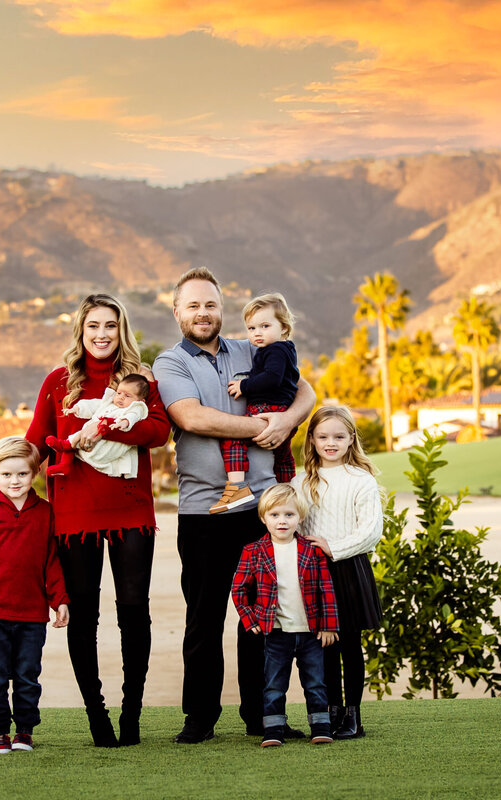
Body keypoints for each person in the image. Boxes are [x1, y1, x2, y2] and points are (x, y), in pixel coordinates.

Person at [0, 294, 169, 748]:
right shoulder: (57, 383)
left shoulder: (140, 381)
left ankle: (132, 714)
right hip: (74, 515)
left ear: (121, 330)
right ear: (80, 333)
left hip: (130, 509)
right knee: (83, 616)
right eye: (93, 327)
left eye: (110, 325)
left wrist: (107, 426)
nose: (102, 334)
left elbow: (159, 432)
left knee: (133, 612)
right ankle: (97, 716)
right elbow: (32, 449)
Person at [154, 267, 316, 744]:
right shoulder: (170, 363)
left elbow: (304, 389)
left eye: (210, 305)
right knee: (204, 618)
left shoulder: (253, 348)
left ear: (221, 309)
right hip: (203, 510)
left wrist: (286, 420)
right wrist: (260, 427)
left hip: (261, 509)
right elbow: (191, 417)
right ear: (178, 312)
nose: (202, 313)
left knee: (261, 615)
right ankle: (199, 718)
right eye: (193, 305)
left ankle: (262, 716)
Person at [0, 436, 70, 754]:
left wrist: (59, 599)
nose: (14, 481)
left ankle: (24, 731)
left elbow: (51, 560)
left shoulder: (45, 513)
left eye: (22, 474)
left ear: (34, 473)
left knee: (27, 676)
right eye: (6, 474)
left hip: (31, 616)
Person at [291, 405, 384, 739]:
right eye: (323, 436)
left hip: (348, 569)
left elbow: (371, 530)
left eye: (339, 436)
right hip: (313, 572)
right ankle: (329, 712)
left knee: (349, 646)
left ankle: (353, 717)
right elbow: (291, 522)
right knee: (323, 646)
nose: (330, 443)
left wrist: (333, 546)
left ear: (350, 439)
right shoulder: (300, 481)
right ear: (312, 440)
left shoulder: (361, 480)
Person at [232, 484, 338, 747]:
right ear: (263, 518)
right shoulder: (253, 551)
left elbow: (326, 590)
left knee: (315, 683)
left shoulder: (311, 550)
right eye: (275, 515)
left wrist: (328, 626)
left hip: (310, 633)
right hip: (276, 633)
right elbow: (239, 589)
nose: (282, 521)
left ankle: (321, 727)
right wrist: (250, 620)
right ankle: (273, 730)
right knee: (274, 685)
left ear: (299, 518)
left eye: (289, 515)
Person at [211, 293, 301, 514]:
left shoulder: (276, 350)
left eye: (265, 326)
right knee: (282, 455)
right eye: (251, 328)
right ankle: (288, 493)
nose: (257, 333)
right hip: (282, 410)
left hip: (268, 409)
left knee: (233, 437)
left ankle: (237, 487)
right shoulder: (283, 349)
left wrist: (245, 386)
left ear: (284, 327)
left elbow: (272, 378)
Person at [45, 374, 151, 479]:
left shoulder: (136, 408)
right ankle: (65, 464)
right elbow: (92, 405)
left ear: (140, 401)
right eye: (119, 393)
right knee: (75, 439)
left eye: (127, 395)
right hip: (87, 439)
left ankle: (63, 445)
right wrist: (77, 408)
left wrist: (124, 422)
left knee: (77, 439)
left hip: (106, 446)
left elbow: (132, 416)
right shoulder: (109, 403)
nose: (121, 397)